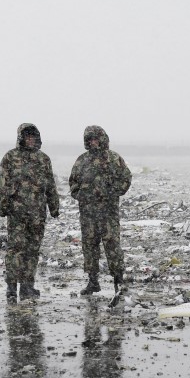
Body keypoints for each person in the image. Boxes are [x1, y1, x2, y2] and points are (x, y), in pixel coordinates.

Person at [0, 123, 60, 301]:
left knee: (32, 250)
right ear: (21, 138)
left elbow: (50, 185)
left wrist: (54, 206)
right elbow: (2, 183)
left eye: (33, 137)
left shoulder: (43, 159)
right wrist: (2, 206)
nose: (30, 140)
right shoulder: (10, 157)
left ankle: (27, 286)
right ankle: (11, 286)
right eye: (27, 137)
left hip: (38, 213)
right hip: (17, 213)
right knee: (16, 249)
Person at [69, 125, 131, 295]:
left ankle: (118, 281)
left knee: (112, 246)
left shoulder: (114, 158)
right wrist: (81, 194)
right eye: (90, 140)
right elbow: (73, 183)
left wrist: (112, 191)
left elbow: (126, 178)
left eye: (96, 139)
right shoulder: (82, 160)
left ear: (102, 139)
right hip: (88, 214)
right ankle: (92, 281)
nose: (94, 142)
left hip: (108, 213)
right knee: (89, 246)